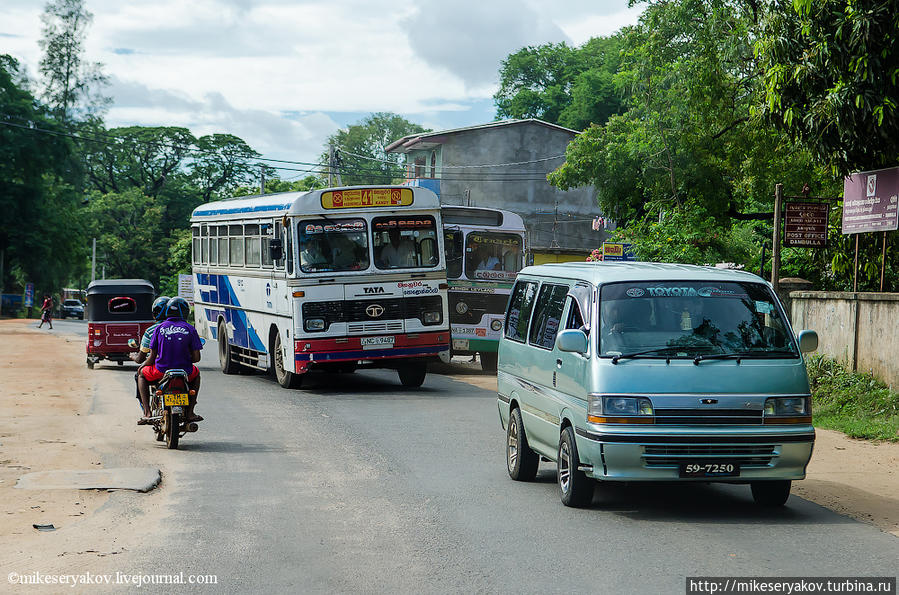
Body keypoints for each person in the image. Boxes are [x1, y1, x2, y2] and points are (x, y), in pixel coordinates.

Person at [137, 297, 203, 424]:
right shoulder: (190, 329)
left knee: (141, 375)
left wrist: (142, 366)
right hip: (186, 372)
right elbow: (196, 358)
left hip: (160, 371)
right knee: (197, 374)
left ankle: (147, 412)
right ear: (185, 312)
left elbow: (151, 358)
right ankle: (190, 412)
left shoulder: (158, 328)